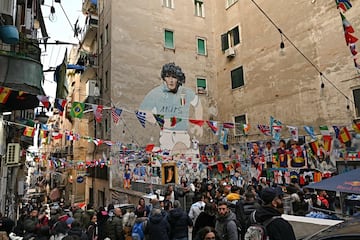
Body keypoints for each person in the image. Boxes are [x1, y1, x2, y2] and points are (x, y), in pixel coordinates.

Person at [139, 62, 202, 152]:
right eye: (168, 77)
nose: (171, 80)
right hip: (166, 133)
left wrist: (198, 124)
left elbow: (198, 104)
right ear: (164, 78)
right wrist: (161, 121)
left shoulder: (185, 92)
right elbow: (142, 112)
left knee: (181, 157)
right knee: (168, 160)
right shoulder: (156, 93)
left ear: (178, 79)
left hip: (182, 133)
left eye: (174, 77)